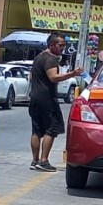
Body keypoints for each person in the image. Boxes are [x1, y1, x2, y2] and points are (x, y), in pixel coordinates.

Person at [28, 32, 83, 172]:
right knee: (52, 128)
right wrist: (73, 74)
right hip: (46, 99)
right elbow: (53, 77)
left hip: (34, 97)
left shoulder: (39, 57)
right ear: (51, 45)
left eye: (64, 45)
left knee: (36, 130)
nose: (62, 48)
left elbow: (31, 77)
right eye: (60, 45)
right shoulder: (51, 59)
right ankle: (44, 160)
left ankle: (35, 161)